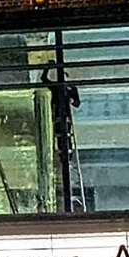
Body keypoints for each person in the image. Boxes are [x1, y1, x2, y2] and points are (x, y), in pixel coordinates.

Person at [41, 66, 81, 206]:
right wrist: (47, 68)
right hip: (58, 115)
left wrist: (72, 97)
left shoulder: (69, 88)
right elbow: (43, 79)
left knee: (65, 138)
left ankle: (65, 157)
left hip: (65, 118)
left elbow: (77, 103)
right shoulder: (56, 87)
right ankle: (63, 156)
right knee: (60, 136)